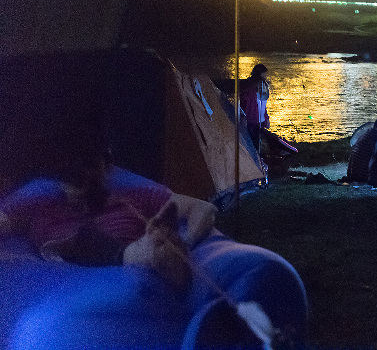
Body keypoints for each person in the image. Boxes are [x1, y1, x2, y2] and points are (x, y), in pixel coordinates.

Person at [0, 122, 217, 292]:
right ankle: (147, 254)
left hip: (131, 276)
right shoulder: (38, 203)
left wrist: (187, 241)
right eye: (73, 179)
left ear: (105, 166)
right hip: (67, 280)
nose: (81, 185)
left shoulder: (133, 195)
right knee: (85, 242)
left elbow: (204, 209)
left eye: (91, 172)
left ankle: (160, 256)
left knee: (150, 244)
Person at [344, 115, 377, 183]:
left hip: (353, 166)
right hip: (360, 169)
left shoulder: (370, 131)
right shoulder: (376, 136)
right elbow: (374, 155)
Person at [240, 63, 271, 149]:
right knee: (252, 146)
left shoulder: (264, 88)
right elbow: (243, 104)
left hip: (260, 123)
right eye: (264, 75)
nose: (265, 77)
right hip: (251, 123)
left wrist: (266, 118)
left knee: (258, 146)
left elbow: (263, 106)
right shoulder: (248, 88)